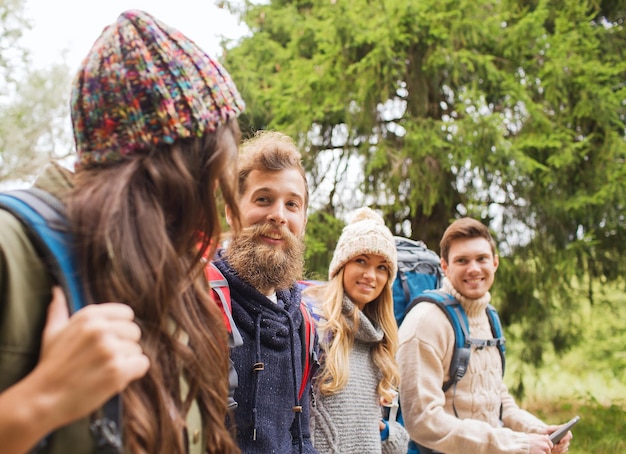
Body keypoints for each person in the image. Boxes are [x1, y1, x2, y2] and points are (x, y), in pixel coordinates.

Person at [0, 9, 245, 454]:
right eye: (210, 174)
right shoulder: (10, 252)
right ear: (169, 175)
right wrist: (40, 401)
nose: (215, 202)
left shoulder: (172, 273)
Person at [396, 217, 574, 454]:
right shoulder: (426, 322)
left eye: (482, 259)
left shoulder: (489, 316)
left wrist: (537, 430)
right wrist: (516, 444)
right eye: (462, 260)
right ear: (445, 267)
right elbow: (422, 421)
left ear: (495, 263)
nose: (474, 268)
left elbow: (496, 399)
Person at [212, 130, 317, 453]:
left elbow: (300, 435)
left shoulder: (301, 319)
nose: (278, 216)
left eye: (292, 205)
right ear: (232, 210)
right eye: (263, 199)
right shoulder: (199, 301)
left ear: (303, 220)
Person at [303, 207, 410, 453]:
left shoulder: (380, 340)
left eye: (382, 267)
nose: (371, 275)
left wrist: (385, 432)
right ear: (341, 266)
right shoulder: (315, 325)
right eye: (361, 261)